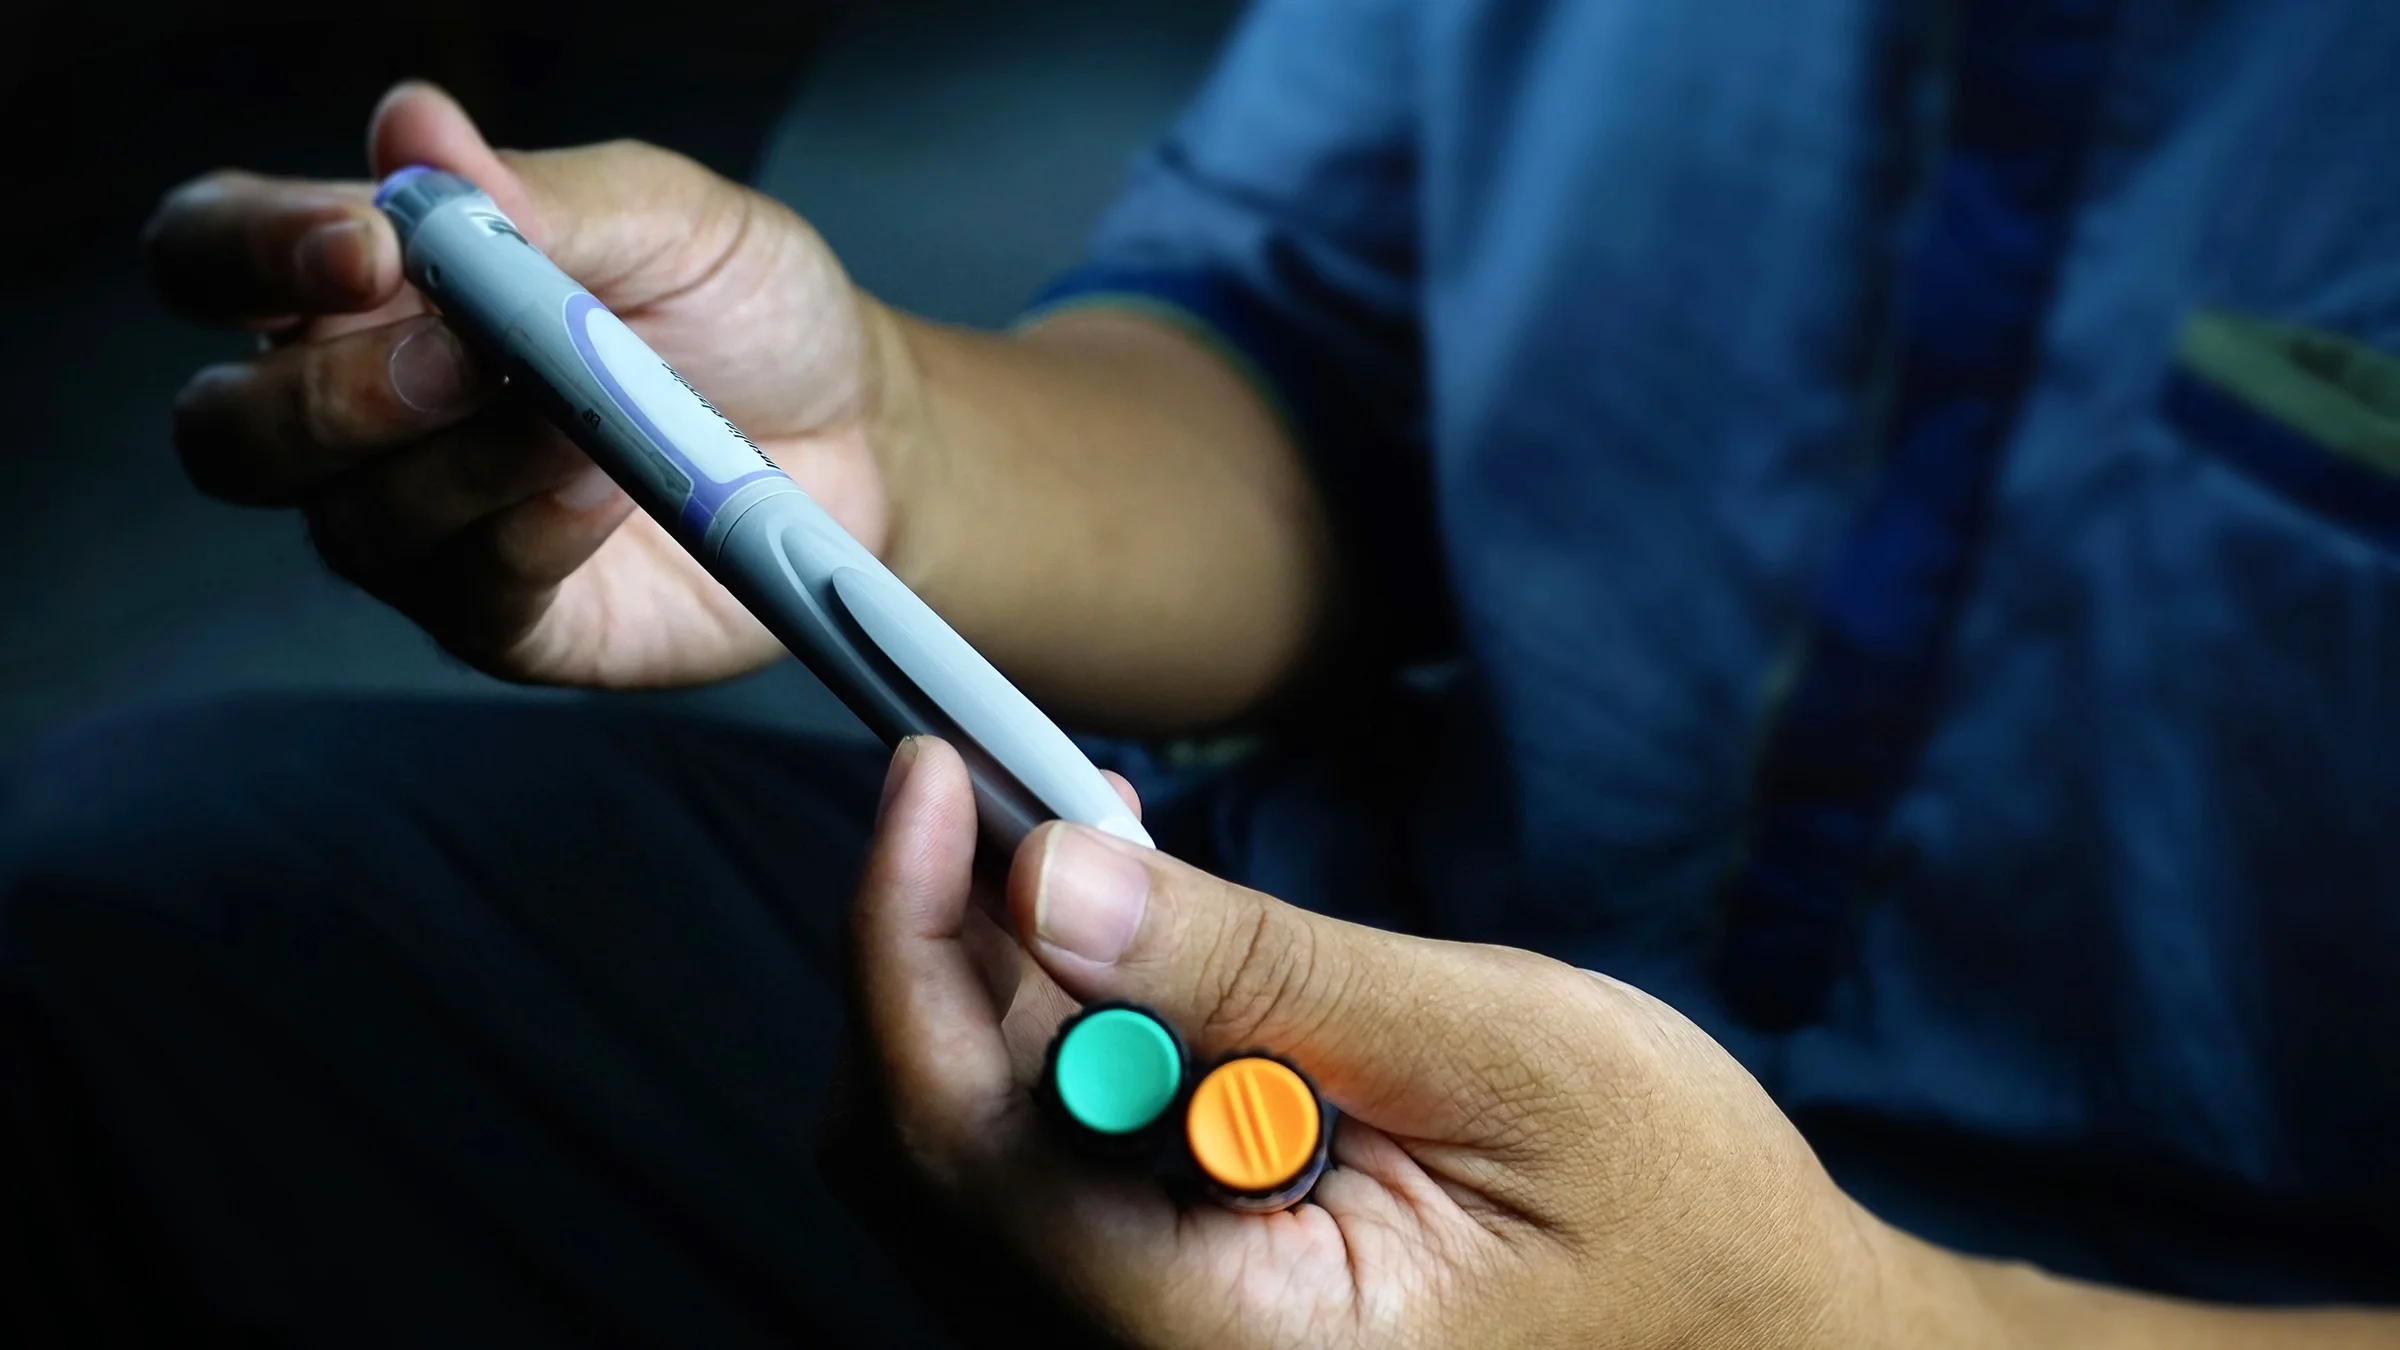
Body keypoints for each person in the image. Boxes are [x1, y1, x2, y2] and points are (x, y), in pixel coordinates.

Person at [6, 0, 2399, 1344]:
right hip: (1293, 1015)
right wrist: (897, 452)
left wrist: (1841, 1333)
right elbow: (1320, 359)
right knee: (125, 931)